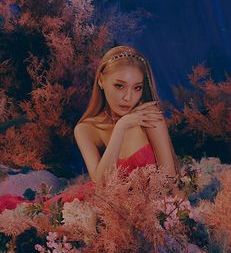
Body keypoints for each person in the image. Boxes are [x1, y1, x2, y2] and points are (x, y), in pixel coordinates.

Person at [0, 45, 185, 213]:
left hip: (144, 211)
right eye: (119, 86)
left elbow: (168, 179)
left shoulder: (149, 117)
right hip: (96, 208)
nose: (128, 97)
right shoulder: (85, 129)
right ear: (101, 80)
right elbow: (100, 183)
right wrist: (120, 128)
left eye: (137, 88)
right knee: (35, 215)